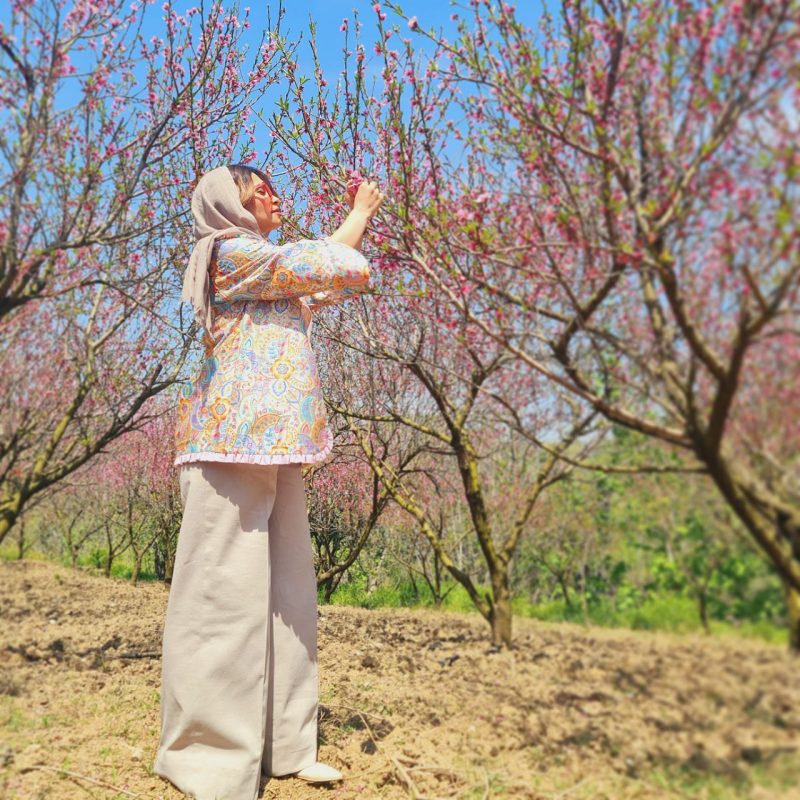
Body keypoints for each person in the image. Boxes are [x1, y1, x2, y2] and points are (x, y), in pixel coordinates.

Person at [152, 163, 385, 800]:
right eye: (259, 191)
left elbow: (320, 273)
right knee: (221, 601)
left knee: (288, 599)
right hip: (227, 446)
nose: (273, 197)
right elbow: (317, 264)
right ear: (227, 205)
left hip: (278, 445)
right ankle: (208, 762)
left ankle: (285, 743)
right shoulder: (227, 254)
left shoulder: (267, 271)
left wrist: (358, 218)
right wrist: (356, 219)